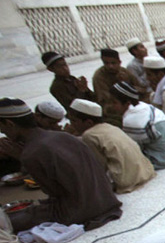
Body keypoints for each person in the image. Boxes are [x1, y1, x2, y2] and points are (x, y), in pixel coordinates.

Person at [0, 98, 122, 232]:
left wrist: (21, 158)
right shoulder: (63, 136)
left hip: (81, 211)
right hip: (107, 200)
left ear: (10, 124)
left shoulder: (31, 153)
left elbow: (54, 193)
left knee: (10, 221)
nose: (3, 132)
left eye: (2, 127)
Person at [67, 99, 156, 194]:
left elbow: (99, 166)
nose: (71, 125)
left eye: (74, 121)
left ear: (89, 122)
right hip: (145, 171)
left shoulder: (89, 135)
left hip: (126, 180)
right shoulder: (109, 126)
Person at [110, 82, 165, 170]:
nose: (112, 106)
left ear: (127, 103)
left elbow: (135, 149)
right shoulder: (146, 107)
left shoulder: (131, 119)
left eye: (115, 102)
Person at [92, 48, 149, 128]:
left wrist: (127, 84)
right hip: (112, 108)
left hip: (129, 103)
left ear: (119, 62)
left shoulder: (124, 72)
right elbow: (107, 99)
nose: (110, 66)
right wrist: (121, 85)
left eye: (113, 63)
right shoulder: (99, 76)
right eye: (106, 63)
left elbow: (141, 89)